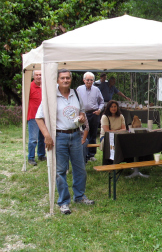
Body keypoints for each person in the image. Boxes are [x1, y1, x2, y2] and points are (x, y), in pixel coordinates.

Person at [36, 68, 94, 215]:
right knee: (61, 171)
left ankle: (79, 196)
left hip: (75, 136)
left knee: (80, 169)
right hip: (59, 137)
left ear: (71, 79)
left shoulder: (76, 94)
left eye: (68, 78)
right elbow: (39, 117)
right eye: (62, 78)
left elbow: (81, 111)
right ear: (57, 80)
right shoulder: (50, 96)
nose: (65, 80)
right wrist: (47, 136)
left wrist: (81, 117)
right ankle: (63, 202)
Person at [77, 72, 104, 162]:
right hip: (82, 114)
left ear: (93, 81)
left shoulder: (96, 89)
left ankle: (91, 154)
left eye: (91, 80)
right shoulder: (79, 89)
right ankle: (84, 154)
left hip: (94, 114)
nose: (89, 81)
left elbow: (102, 102)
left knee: (93, 134)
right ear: (84, 80)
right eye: (87, 80)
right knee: (84, 134)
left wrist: (99, 110)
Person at [27, 70, 46, 166]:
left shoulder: (45, 86)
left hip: (44, 116)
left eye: (40, 74)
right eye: (37, 75)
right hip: (33, 116)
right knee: (33, 139)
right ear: (33, 76)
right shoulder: (29, 86)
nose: (39, 76)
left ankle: (41, 155)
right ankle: (31, 158)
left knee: (42, 137)